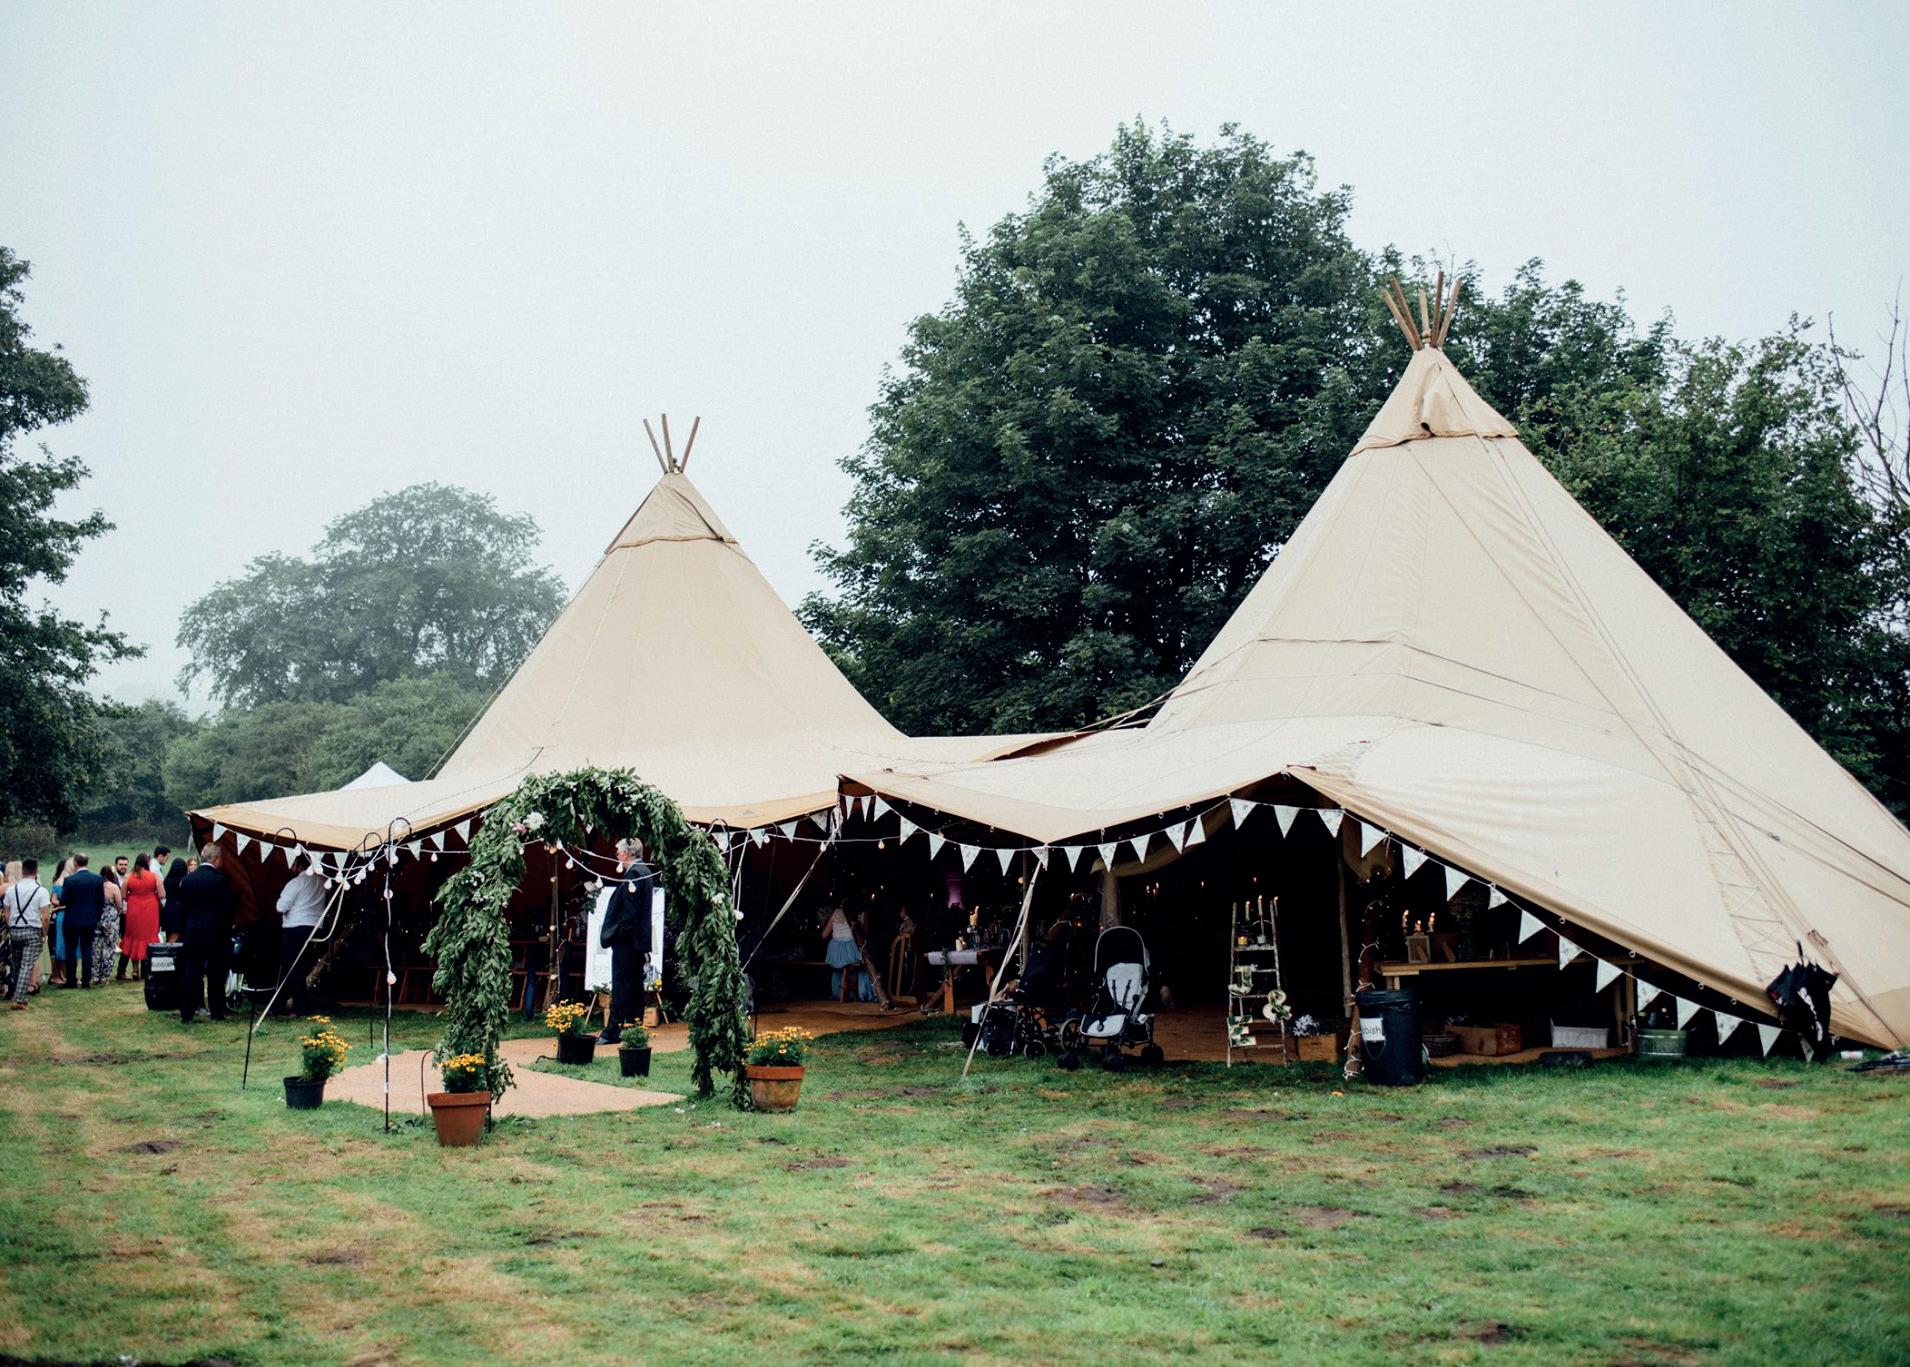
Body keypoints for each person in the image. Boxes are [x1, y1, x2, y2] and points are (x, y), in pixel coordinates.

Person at [594, 838, 655, 1045]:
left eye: (618, 850)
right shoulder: (644, 871)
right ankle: (634, 1027)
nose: (616, 853)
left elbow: (630, 913)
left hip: (628, 942)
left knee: (622, 984)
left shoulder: (636, 874)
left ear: (627, 854)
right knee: (635, 986)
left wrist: (618, 935)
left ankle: (613, 1030)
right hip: (637, 942)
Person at [174, 843, 235, 1023]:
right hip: (216, 934)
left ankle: (187, 1012)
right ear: (216, 860)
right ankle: (216, 1011)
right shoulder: (221, 880)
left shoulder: (188, 880)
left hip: (193, 932)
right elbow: (227, 909)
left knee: (191, 973)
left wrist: (188, 927)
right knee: (216, 974)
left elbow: (183, 908)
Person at [275, 856, 327, 1015]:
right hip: (315, 927)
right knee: (298, 967)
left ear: (299, 865)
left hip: (295, 927)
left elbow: (280, 907)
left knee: (293, 967)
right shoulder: (322, 881)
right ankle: (278, 1005)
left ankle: (300, 1007)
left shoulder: (296, 883)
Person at [6, 859, 49, 1010]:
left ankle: (14, 992)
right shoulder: (41, 891)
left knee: (16, 964)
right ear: (36, 871)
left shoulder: (12, 889)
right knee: (26, 965)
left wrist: (10, 927)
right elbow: (45, 917)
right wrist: (44, 934)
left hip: (15, 929)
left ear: (22, 871)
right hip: (32, 930)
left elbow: (7, 913)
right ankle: (19, 999)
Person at [59, 854, 105, 989]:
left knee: (71, 950)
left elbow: (63, 900)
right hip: (90, 919)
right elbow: (100, 901)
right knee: (87, 949)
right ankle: (86, 982)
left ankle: (71, 981)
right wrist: (96, 916)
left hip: (72, 919)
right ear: (87, 862)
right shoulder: (97, 879)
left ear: (75, 863)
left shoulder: (69, 880)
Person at [118, 853, 164, 981]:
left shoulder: (129, 876)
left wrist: (133, 896)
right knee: (148, 937)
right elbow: (162, 894)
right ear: (147, 862)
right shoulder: (154, 876)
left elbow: (123, 894)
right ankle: (146, 970)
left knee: (133, 938)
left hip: (133, 908)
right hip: (150, 909)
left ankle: (135, 970)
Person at [820, 903, 874, 1002]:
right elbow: (864, 935)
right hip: (850, 951)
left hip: (835, 953)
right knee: (863, 964)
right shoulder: (862, 914)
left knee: (838, 968)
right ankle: (862, 993)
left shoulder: (836, 912)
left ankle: (838, 993)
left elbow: (824, 935)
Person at [95, 864, 124, 987]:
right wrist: (117, 912)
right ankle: (105, 976)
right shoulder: (114, 887)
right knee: (109, 947)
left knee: (95, 948)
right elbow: (119, 904)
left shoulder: (96, 886)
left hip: (96, 917)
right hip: (110, 918)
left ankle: (94, 975)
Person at [160, 855, 189, 942]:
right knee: (176, 935)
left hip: (169, 908)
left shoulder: (167, 880)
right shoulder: (184, 881)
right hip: (179, 910)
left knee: (170, 934)